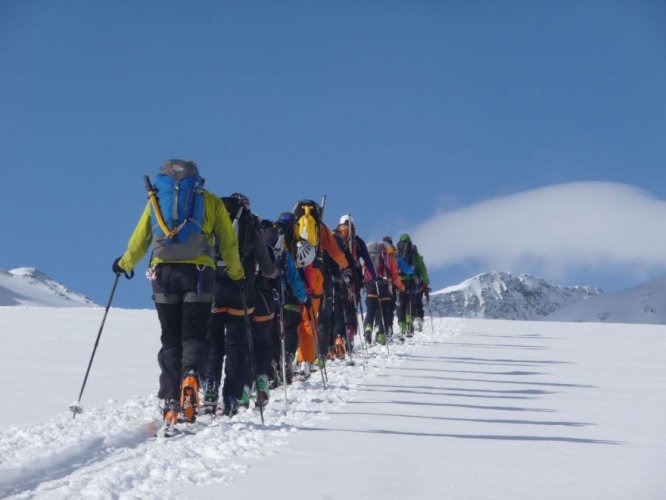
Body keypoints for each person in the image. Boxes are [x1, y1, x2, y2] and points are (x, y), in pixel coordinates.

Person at [112, 159, 243, 429]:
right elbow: (228, 242)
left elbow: (140, 239)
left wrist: (124, 263)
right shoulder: (210, 201)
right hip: (199, 274)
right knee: (194, 333)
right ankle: (191, 377)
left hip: (163, 274)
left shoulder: (156, 200)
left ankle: (171, 400)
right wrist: (237, 273)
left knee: (171, 337)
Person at [203, 193, 278, 416]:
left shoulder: (215, 217)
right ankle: (231, 398)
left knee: (214, 344)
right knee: (237, 346)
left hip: (214, 287)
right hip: (242, 291)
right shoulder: (250, 224)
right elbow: (264, 263)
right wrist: (273, 272)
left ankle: (209, 387)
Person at [291, 200, 349, 378]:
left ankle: (290, 357)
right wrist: (346, 265)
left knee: (294, 317)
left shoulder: (294, 224)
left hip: (295, 271)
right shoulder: (321, 227)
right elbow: (335, 251)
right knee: (309, 318)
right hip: (315, 273)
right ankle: (306, 361)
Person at [333, 215, 378, 354]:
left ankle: (338, 338)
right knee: (351, 307)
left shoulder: (333, 236)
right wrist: (374, 278)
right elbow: (367, 261)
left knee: (338, 308)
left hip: (335, 276)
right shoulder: (357, 241)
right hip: (353, 278)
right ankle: (350, 335)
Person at [363, 240, 404, 345]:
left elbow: (364, 270)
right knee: (384, 311)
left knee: (371, 310)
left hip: (370, 284)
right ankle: (382, 335)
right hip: (384, 285)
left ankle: (368, 329)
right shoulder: (389, 257)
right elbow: (395, 274)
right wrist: (401, 286)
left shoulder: (370, 254)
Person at [396, 234, 429, 337]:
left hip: (400, 281)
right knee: (411, 300)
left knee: (400, 302)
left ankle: (402, 325)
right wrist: (426, 281)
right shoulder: (415, 254)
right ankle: (410, 322)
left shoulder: (397, 253)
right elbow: (422, 269)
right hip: (411, 281)